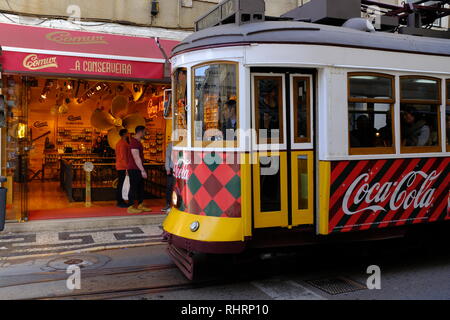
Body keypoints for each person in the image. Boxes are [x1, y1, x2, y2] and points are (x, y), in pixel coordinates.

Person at [127, 126, 152, 214]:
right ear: (140, 132)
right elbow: (136, 157)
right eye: (144, 131)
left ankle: (140, 204)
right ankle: (130, 206)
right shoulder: (134, 142)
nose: (145, 133)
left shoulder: (137, 142)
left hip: (137, 168)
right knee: (133, 187)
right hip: (134, 169)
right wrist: (142, 170)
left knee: (140, 187)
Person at [115, 129, 129, 208]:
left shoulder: (119, 143)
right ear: (124, 134)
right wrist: (127, 168)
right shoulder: (123, 144)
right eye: (127, 133)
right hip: (123, 166)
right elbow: (123, 157)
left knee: (121, 184)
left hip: (120, 166)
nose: (128, 134)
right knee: (122, 184)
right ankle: (120, 201)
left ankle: (120, 200)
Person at [162, 141, 174, 212]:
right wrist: (167, 168)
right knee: (169, 187)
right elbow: (167, 157)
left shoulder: (184, 143)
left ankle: (175, 204)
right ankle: (168, 204)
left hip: (182, 168)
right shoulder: (170, 145)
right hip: (172, 168)